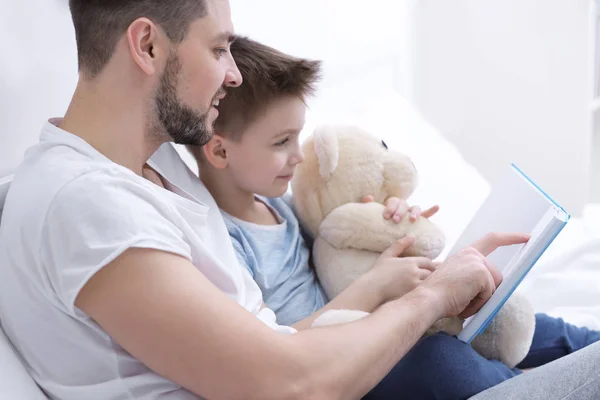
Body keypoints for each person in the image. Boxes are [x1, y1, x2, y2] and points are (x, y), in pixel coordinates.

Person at [0, 1, 596, 399]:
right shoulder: (80, 203)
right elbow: (289, 386)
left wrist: (403, 287)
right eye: (218, 50)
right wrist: (435, 296)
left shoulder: (156, 170)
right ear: (148, 47)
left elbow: (273, 345)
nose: (233, 75)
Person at [190, 36, 600, 399]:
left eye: (298, 136)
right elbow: (274, 349)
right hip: (345, 364)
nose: (299, 155)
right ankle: (521, 380)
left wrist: (386, 218)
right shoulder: (225, 244)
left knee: (501, 310)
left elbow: (338, 241)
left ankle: (586, 346)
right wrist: (374, 287)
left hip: (375, 326)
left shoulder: (279, 204)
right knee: (440, 361)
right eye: (282, 142)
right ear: (221, 152)